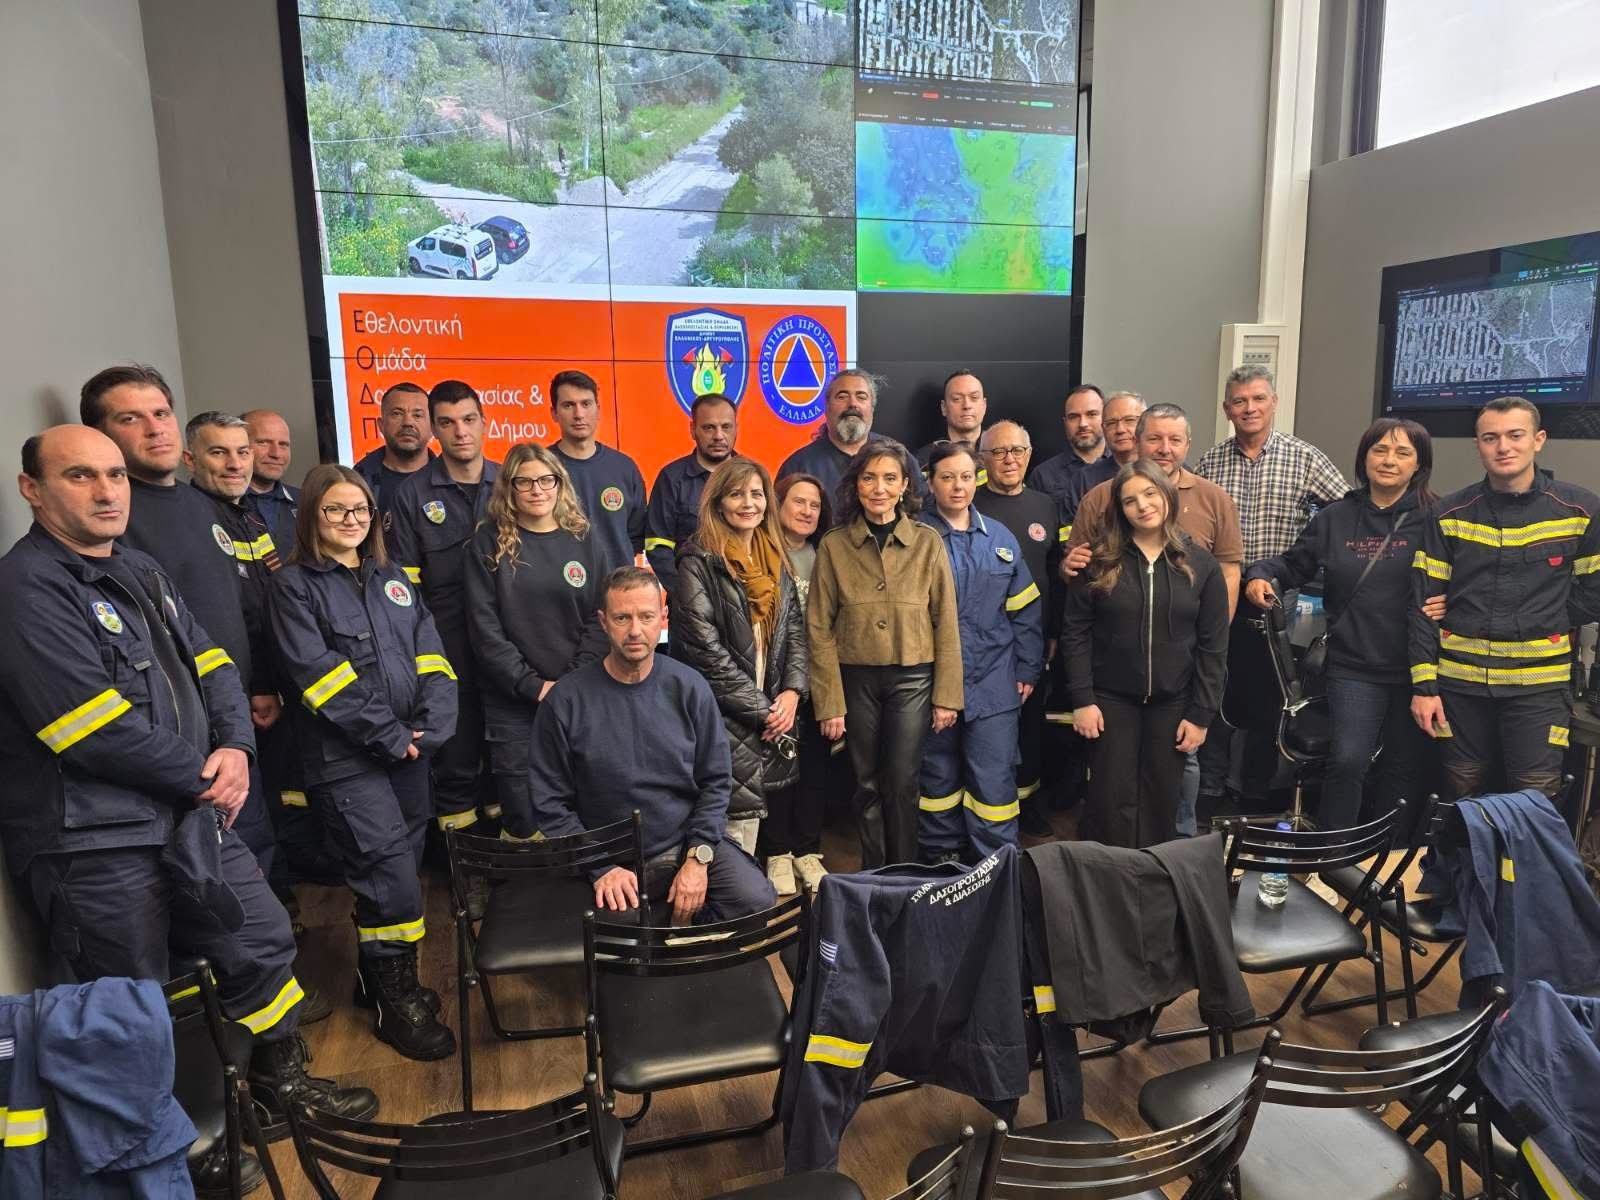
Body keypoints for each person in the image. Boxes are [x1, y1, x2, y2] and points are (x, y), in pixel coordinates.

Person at [0, 427, 377, 1190]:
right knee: (135, 1003)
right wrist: (206, 775)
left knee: (260, 938)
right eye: (81, 476)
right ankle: (181, 1151)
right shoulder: (24, 588)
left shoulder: (139, 570)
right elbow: (86, 726)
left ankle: (281, 1085)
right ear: (32, 489)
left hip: (189, 815)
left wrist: (235, 746)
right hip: (93, 841)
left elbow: (214, 664)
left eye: (115, 475)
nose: (107, 491)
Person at [269, 464, 459, 1061]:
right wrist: (391, 735)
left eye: (360, 510)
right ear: (311, 516)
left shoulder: (393, 578)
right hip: (348, 760)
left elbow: (432, 656)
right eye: (335, 509)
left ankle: (378, 979)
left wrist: (434, 724)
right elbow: (318, 678)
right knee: (388, 876)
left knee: (401, 870)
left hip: (410, 753)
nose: (350, 520)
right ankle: (393, 1002)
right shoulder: (293, 586)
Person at [81, 366, 280, 875]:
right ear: (100, 435)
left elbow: (235, 604)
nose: (155, 429)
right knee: (204, 871)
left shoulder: (203, 506)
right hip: (175, 730)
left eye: (162, 413)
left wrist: (256, 684)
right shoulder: (112, 516)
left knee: (254, 849)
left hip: (231, 713)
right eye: (131, 418)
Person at [513, 566, 777, 925]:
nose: (635, 630)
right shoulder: (566, 701)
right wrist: (600, 867)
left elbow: (716, 783)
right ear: (603, 622)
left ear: (663, 618)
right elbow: (549, 804)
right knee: (611, 941)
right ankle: (660, 928)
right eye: (622, 618)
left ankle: (679, 931)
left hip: (682, 844)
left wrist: (698, 857)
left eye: (646, 617)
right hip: (608, 856)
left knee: (755, 900)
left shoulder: (690, 688)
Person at [1247, 417, 1436, 831]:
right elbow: (1292, 564)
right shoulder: (1335, 517)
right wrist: (1260, 574)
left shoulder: (1435, 518)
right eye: (1379, 450)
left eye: (1403, 452)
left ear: (1419, 464)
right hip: (1353, 665)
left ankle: (1387, 858)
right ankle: (1333, 856)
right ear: (1364, 457)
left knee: (1403, 769)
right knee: (1348, 761)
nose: (1389, 460)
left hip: (1418, 668)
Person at [1063, 403, 1245, 835]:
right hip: (1110, 701)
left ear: (1167, 496)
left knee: (1163, 802)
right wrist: (1082, 700)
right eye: (1130, 500)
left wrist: (1201, 714)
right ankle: (1106, 874)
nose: (1142, 506)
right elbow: (1075, 634)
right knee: (1109, 801)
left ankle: (1156, 874)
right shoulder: (1099, 562)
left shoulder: (1200, 565)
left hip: (1174, 703)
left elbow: (1213, 646)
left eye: (1150, 495)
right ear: (1119, 509)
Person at [1409, 397, 1600, 804]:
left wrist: (1545, 614)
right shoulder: (1449, 514)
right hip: (1461, 686)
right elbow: (1423, 608)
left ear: (1538, 439)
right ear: (1478, 445)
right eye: (1491, 438)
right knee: (1460, 796)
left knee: (1535, 800)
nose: (1504, 447)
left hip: (1539, 689)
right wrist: (1424, 687)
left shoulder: (1581, 510)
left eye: (1515, 435)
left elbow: (1595, 591)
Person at [1194, 365, 1349, 815]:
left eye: (1258, 398)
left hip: (1276, 596)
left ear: (1274, 402)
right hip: (1219, 592)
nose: (1250, 408)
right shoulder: (1210, 463)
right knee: (1215, 688)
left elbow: (1346, 513)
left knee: (1268, 697)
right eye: (1239, 401)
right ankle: (1211, 788)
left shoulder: (1305, 458)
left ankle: (1254, 791)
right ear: (1227, 409)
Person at [807, 438, 962, 868]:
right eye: (869, 478)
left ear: (905, 485)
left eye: (890, 478)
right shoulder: (834, 545)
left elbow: (946, 621)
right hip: (856, 679)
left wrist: (947, 696)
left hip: (914, 678)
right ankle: (875, 874)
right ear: (855, 485)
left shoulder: (928, 542)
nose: (879, 488)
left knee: (903, 780)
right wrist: (829, 702)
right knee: (865, 783)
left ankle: (905, 872)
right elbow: (818, 628)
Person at [672, 458, 808, 888]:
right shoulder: (698, 561)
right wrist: (766, 711)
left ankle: (744, 912)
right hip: (724, 719)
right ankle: (727, 918)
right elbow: (705, 655)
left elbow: (795, 632)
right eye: (736, 494)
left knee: (754, 825)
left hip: (772, 710)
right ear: (717, 502)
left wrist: (792, 692)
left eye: (756, 494)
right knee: (729, 833)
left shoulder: (775, 557)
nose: (748, 503)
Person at [464, 443, 608, 836]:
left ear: (560, 484)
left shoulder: (584, 539)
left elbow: (601, 618)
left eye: (546, 480)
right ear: (508, 488)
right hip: (513, 706)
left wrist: (571, 683)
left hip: (580, 697)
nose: (537, 490)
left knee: (586, 807)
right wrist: (533, 686)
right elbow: (484, 629)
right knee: (526, 819)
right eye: (524, 481)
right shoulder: (487, 544)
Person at [918, 443, 1043, 862]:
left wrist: (1027, 668)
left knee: (994, 777)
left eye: (966, 477)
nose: (958, 486)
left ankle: (997, 863)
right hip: (932, 681)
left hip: (994, 682)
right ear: (930, 483)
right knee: (937, 775)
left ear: (977, 480)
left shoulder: (1000, 538)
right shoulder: (915, 537)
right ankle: (940, 859)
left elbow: (1024, 609)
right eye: (947, 477)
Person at [387, 379, 500, 835]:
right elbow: (403, 589)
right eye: (448, 423)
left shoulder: (511, 484)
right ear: (434, 429)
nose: (461, 432)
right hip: (446, 638)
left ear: (485, 423)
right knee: (456, 749)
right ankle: (462, 856)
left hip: (508, 637)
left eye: (469, 420)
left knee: (507, 749)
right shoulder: (412, 494)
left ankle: (511, 852)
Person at [973, 420, 1064, 835]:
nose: (1009, 459)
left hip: (1032, 643)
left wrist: (1053, 633)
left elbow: (1058, 573)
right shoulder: (970, 505)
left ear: (1029, 455)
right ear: (982, 459)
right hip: (983, 645)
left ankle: (1028, 806)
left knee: (1031, 727)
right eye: (998, 451)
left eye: (1017, 451)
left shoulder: (1047, 506)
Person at [766, 473, 833, 890]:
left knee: (814, 768)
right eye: (799, 502)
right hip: (774, 682)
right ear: (778, 504)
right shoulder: (762, 551)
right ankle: (777, 853)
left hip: (818, 679)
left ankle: (808, 850)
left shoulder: (825, 554)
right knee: (778, 768)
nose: (807, 511)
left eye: (815, 505)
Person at [777, 370, 928, 515]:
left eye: (861, 397)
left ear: (872, 408)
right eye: (842, 397)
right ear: (826, 408)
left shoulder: (898, 456)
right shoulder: (800, 465)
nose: (852, 404)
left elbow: (923, 508)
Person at [548, 369, 646, 574]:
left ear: (598, 409)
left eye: (586, 404)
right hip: (560, 585)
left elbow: (636, 535)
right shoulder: (542, 468)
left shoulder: (624, 467)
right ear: (554, 413)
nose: (579, 414)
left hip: (618, 585)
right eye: (568, 405)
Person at [644, 392, 737, 590]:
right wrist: (688, 592)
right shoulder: (672, 478)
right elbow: (657, 545)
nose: (718, 436)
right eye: (709, 427)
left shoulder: (752, 477)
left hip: (747, 597)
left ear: (736, 428)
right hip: (689, 598)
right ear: (693, 430)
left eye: (726, 427)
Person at [354, 381, 435, 520]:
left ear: (432, 427)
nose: (408, 422)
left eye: (417, 415)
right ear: (381, 426)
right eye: (397, 414)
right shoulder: (357, 481)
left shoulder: (452, 480)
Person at [1027, 383, 1112, 508]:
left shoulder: (1125, 467)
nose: (1083, 424)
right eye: (1074, 417)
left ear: (1106, 417)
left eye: (1091, 414)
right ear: (1065, 422)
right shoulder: (1043, 476)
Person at [241, 408, 300, 551]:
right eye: (263, 442)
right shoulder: (218, 504)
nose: (276, 454)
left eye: (283, 444)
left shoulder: (308, 502)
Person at [914, 370, 988, 477]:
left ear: (984, 405)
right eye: (957, 399)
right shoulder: (923, 460)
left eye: (974, 398)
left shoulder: (1001, 454)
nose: (967, 405)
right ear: (944, 407)